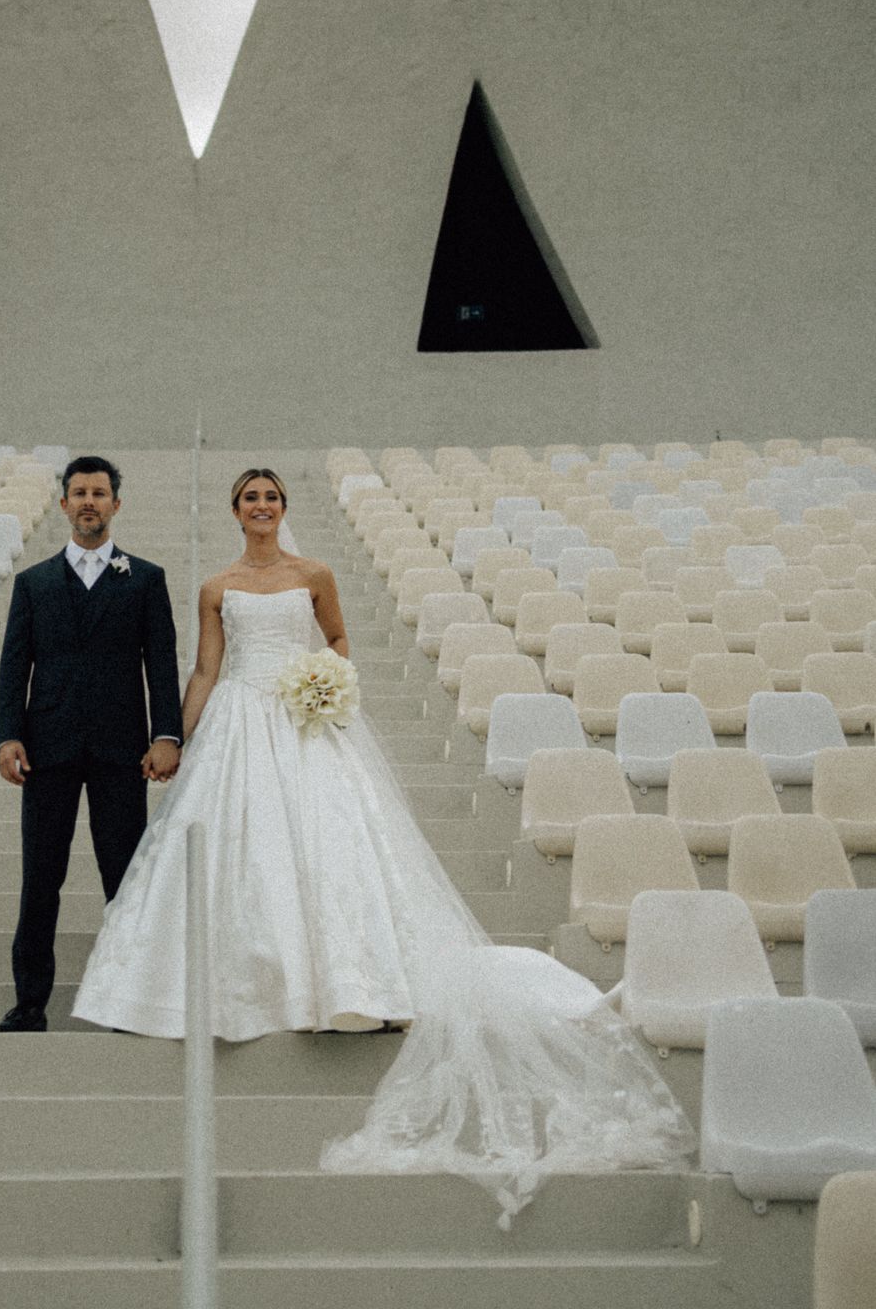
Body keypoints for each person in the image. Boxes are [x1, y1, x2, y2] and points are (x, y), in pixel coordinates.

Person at [71, 466, 694, 1221]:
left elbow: (336, 637)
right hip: (239, 718)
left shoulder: (314, 574)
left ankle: (348, 984)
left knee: (330, 846)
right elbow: (206, 667)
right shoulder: (216, 586)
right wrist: (179, 736)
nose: (261, 507)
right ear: (235, 511)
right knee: (244, 852)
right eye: (250, 499)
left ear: (282, 508)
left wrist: (324, 680)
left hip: (302, 719)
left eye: (271, 498)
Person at [0, 456, 182, 1032]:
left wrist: (166, 735)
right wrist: (7, 736)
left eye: (99, 493)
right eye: (79, 493)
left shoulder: (145, 579)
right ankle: (30, 1002)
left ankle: (127, 998)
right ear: (64, 504)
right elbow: (14, 665)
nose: (89, 502)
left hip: (120, 748)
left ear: (115, 504)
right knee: (41, 876)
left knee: (123, 876)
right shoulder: (33, 583)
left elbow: (162, 665)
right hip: (46, 748)